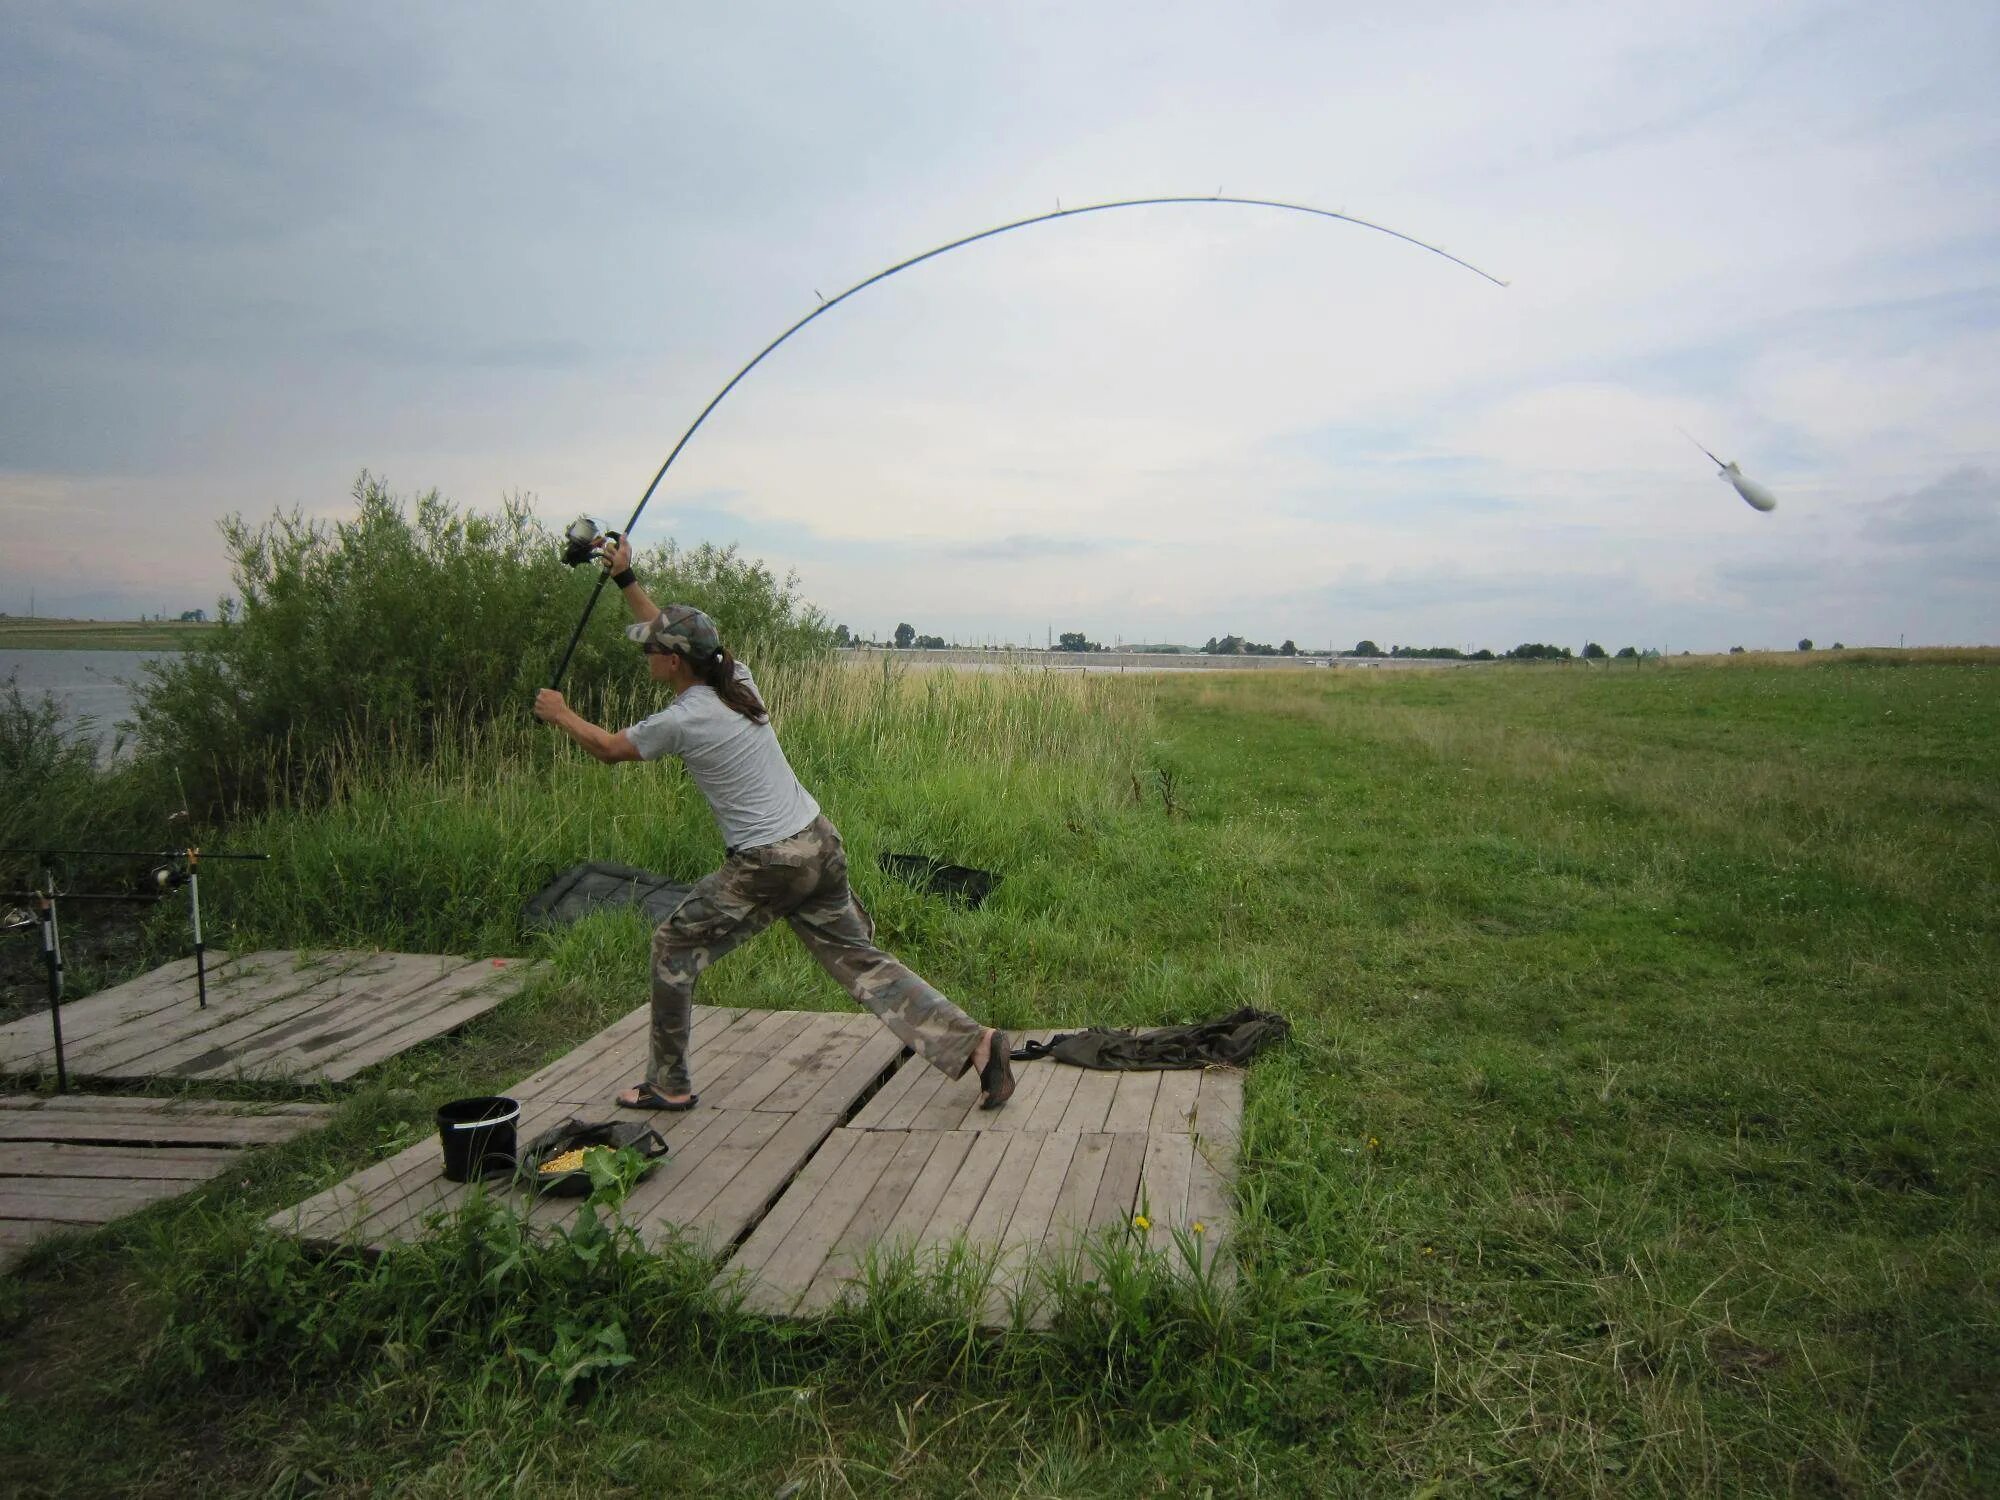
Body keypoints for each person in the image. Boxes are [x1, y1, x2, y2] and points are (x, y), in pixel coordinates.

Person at [532, 536, 1014, 1112]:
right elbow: (673, 628)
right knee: (860, 962)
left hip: (769, 863)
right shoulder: (739, 682)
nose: (646, 655)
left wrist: (561, 715)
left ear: (673, 662)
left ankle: (668, 1084)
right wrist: (625, 579)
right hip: (817, 842)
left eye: (651, 650)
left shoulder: (684, 719)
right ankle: (979, 1044)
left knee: (673, 945)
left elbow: (610, 749)